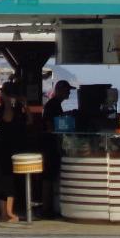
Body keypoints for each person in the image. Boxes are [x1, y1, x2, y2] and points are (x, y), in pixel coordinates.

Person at [0, 81, 32, 223]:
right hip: (4, 150)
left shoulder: (18, 110)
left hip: (16, 150)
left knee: (12, 181)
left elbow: (29, 121)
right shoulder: (0, 110)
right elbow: (7, 119)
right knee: (5, 181)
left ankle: (7, 212)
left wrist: (25, 105)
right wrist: (7, 101)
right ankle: (6, 213)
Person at [41, 79, 75, 218]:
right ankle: (46, 208)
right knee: (48, 177)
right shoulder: (52, 105)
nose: (69, 93)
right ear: (60, 90)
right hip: (50, 145)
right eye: (67, 90)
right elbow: (50, 125)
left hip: (53, 144)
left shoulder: (56, 105)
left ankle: (49, 207)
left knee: (51, 176)